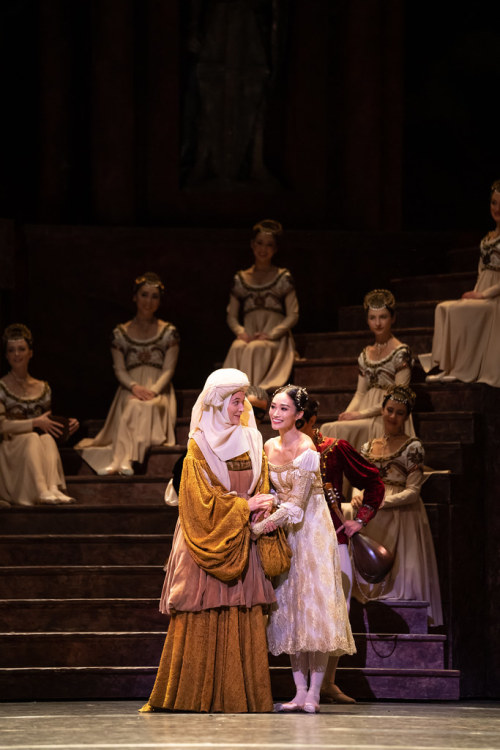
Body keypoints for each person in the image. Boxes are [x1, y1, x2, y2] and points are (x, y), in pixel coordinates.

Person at [141, 368, 276, 713]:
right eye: (234, 401)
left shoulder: (252, 439)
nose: (240, 407)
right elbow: (198, 503)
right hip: (208, 542)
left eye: (242, 400)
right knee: (204, 610)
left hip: (241, 539)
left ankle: (241, 696)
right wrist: (245, 506)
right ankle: (192, 696)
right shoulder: (198, 446)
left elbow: (259, 484)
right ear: (216, 404)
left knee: (240, 611)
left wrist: (262, 505)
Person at [251, 385, 356, 713]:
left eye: (283, 409)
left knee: (315, 606)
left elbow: (296, 506)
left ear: (298, 415)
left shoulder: (308, 448)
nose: (275, 414)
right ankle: (298, 692)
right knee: (290, 606)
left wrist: (257, 528)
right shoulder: (268, 445)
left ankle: (314, 692)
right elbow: (269, 491)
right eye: (272, 408)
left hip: (311, 531)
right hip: (286, 534)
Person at [300, 397, 385, 704]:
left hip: (333, 539)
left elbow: (373, 482)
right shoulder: (276, 450)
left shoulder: (334, 449)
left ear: (312, 421)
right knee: (300, 612)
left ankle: (326, 682)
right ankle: (302, 687)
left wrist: (359, 521)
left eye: (301, 423)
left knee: (337, 611)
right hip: (296, 541)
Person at [347, 385, 443, 627]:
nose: (393, 416)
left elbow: (413, 492)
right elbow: (360, 480)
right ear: (382, 410)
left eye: (399, 413)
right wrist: (358, 494)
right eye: (390, 410)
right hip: (374, 508)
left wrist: (379, 501)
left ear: (406, 416)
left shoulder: (413, 447)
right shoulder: (369, 447)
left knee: (400, 573)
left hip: (400, 511)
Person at [76, 273, 179, 475]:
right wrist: (134, 387)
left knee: (139, 406)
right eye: (144, 295)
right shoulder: (121, 332)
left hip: (158, 389)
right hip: (129, 387)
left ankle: (124, 460)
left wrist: (153, 391)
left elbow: (168, 368)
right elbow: (119, 369)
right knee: (132, 403)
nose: (148, 301)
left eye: (154, 296)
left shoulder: (168, 331)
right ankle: (120, 461)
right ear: (135, 297)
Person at [424, 180, 500, 386]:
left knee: (459, 312)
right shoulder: (488, 237)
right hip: (482, 292)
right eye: (494, 203)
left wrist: (484, 295)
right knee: (443, 308)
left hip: (496, 299)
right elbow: (481, 270)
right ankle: (447, 365)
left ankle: (462, 369)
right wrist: (476, 291)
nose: (497, 208)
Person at [321, 289, 414, 451]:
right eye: (373, 318)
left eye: (383, 317)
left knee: (334, 430)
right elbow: (360, 393)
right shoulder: (365, 354)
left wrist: (360, 414)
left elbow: (399, 396)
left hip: (386, 415)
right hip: (364, 410)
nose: (378, 323)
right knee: (331, 427)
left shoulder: (401, 352)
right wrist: (347, 414)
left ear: (393, 318)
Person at [0, 324, 78, 505]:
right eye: (11, 350)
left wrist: (66, 426)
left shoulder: (42, 387)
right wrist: (34, 423)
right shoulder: (2, 387)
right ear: (6, 355)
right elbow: (1, 425)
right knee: (32, 438)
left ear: (30, 353)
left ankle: (53, 488)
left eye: (21, 349)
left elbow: (47, 425)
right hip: (10, 446)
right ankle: (41, 489)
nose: (17, 354)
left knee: (47, 440)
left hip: (32, 448)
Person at [223, 220, 299, 390]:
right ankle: (227, 395)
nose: (263, 249)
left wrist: (272, 334)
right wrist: (241, 332)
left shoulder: (282, 276)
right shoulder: (242, 277)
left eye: (269, 245)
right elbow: (231, 315)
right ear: (252, 244)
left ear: (275, 249)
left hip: (274, 336)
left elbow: (293, 314)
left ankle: (250, 394)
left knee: (255, 348)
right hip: (250, 333)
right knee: (237, 346)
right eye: (259, 243)